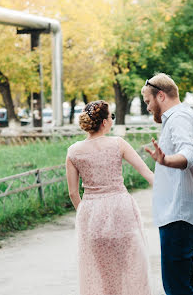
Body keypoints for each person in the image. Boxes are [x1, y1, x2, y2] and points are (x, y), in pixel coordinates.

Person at [142, 73, 193, 295]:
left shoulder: (178, 119)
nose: (148, 108)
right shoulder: (192, 118)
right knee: (183, 281)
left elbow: (189, 153)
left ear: (161, 96)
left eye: (148, 101)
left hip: (178, 215)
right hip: (187, 213)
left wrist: (166, 160)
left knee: (176, 285)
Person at [65, 100, 154, 295]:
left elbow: (73, 193)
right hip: (120, 209)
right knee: (130, 267)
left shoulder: (73, 151)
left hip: (91, 213)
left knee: (103, 273)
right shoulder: (117, 143)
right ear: (104, 122)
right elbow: (146, 173)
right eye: (111, 117)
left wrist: (86, 213)